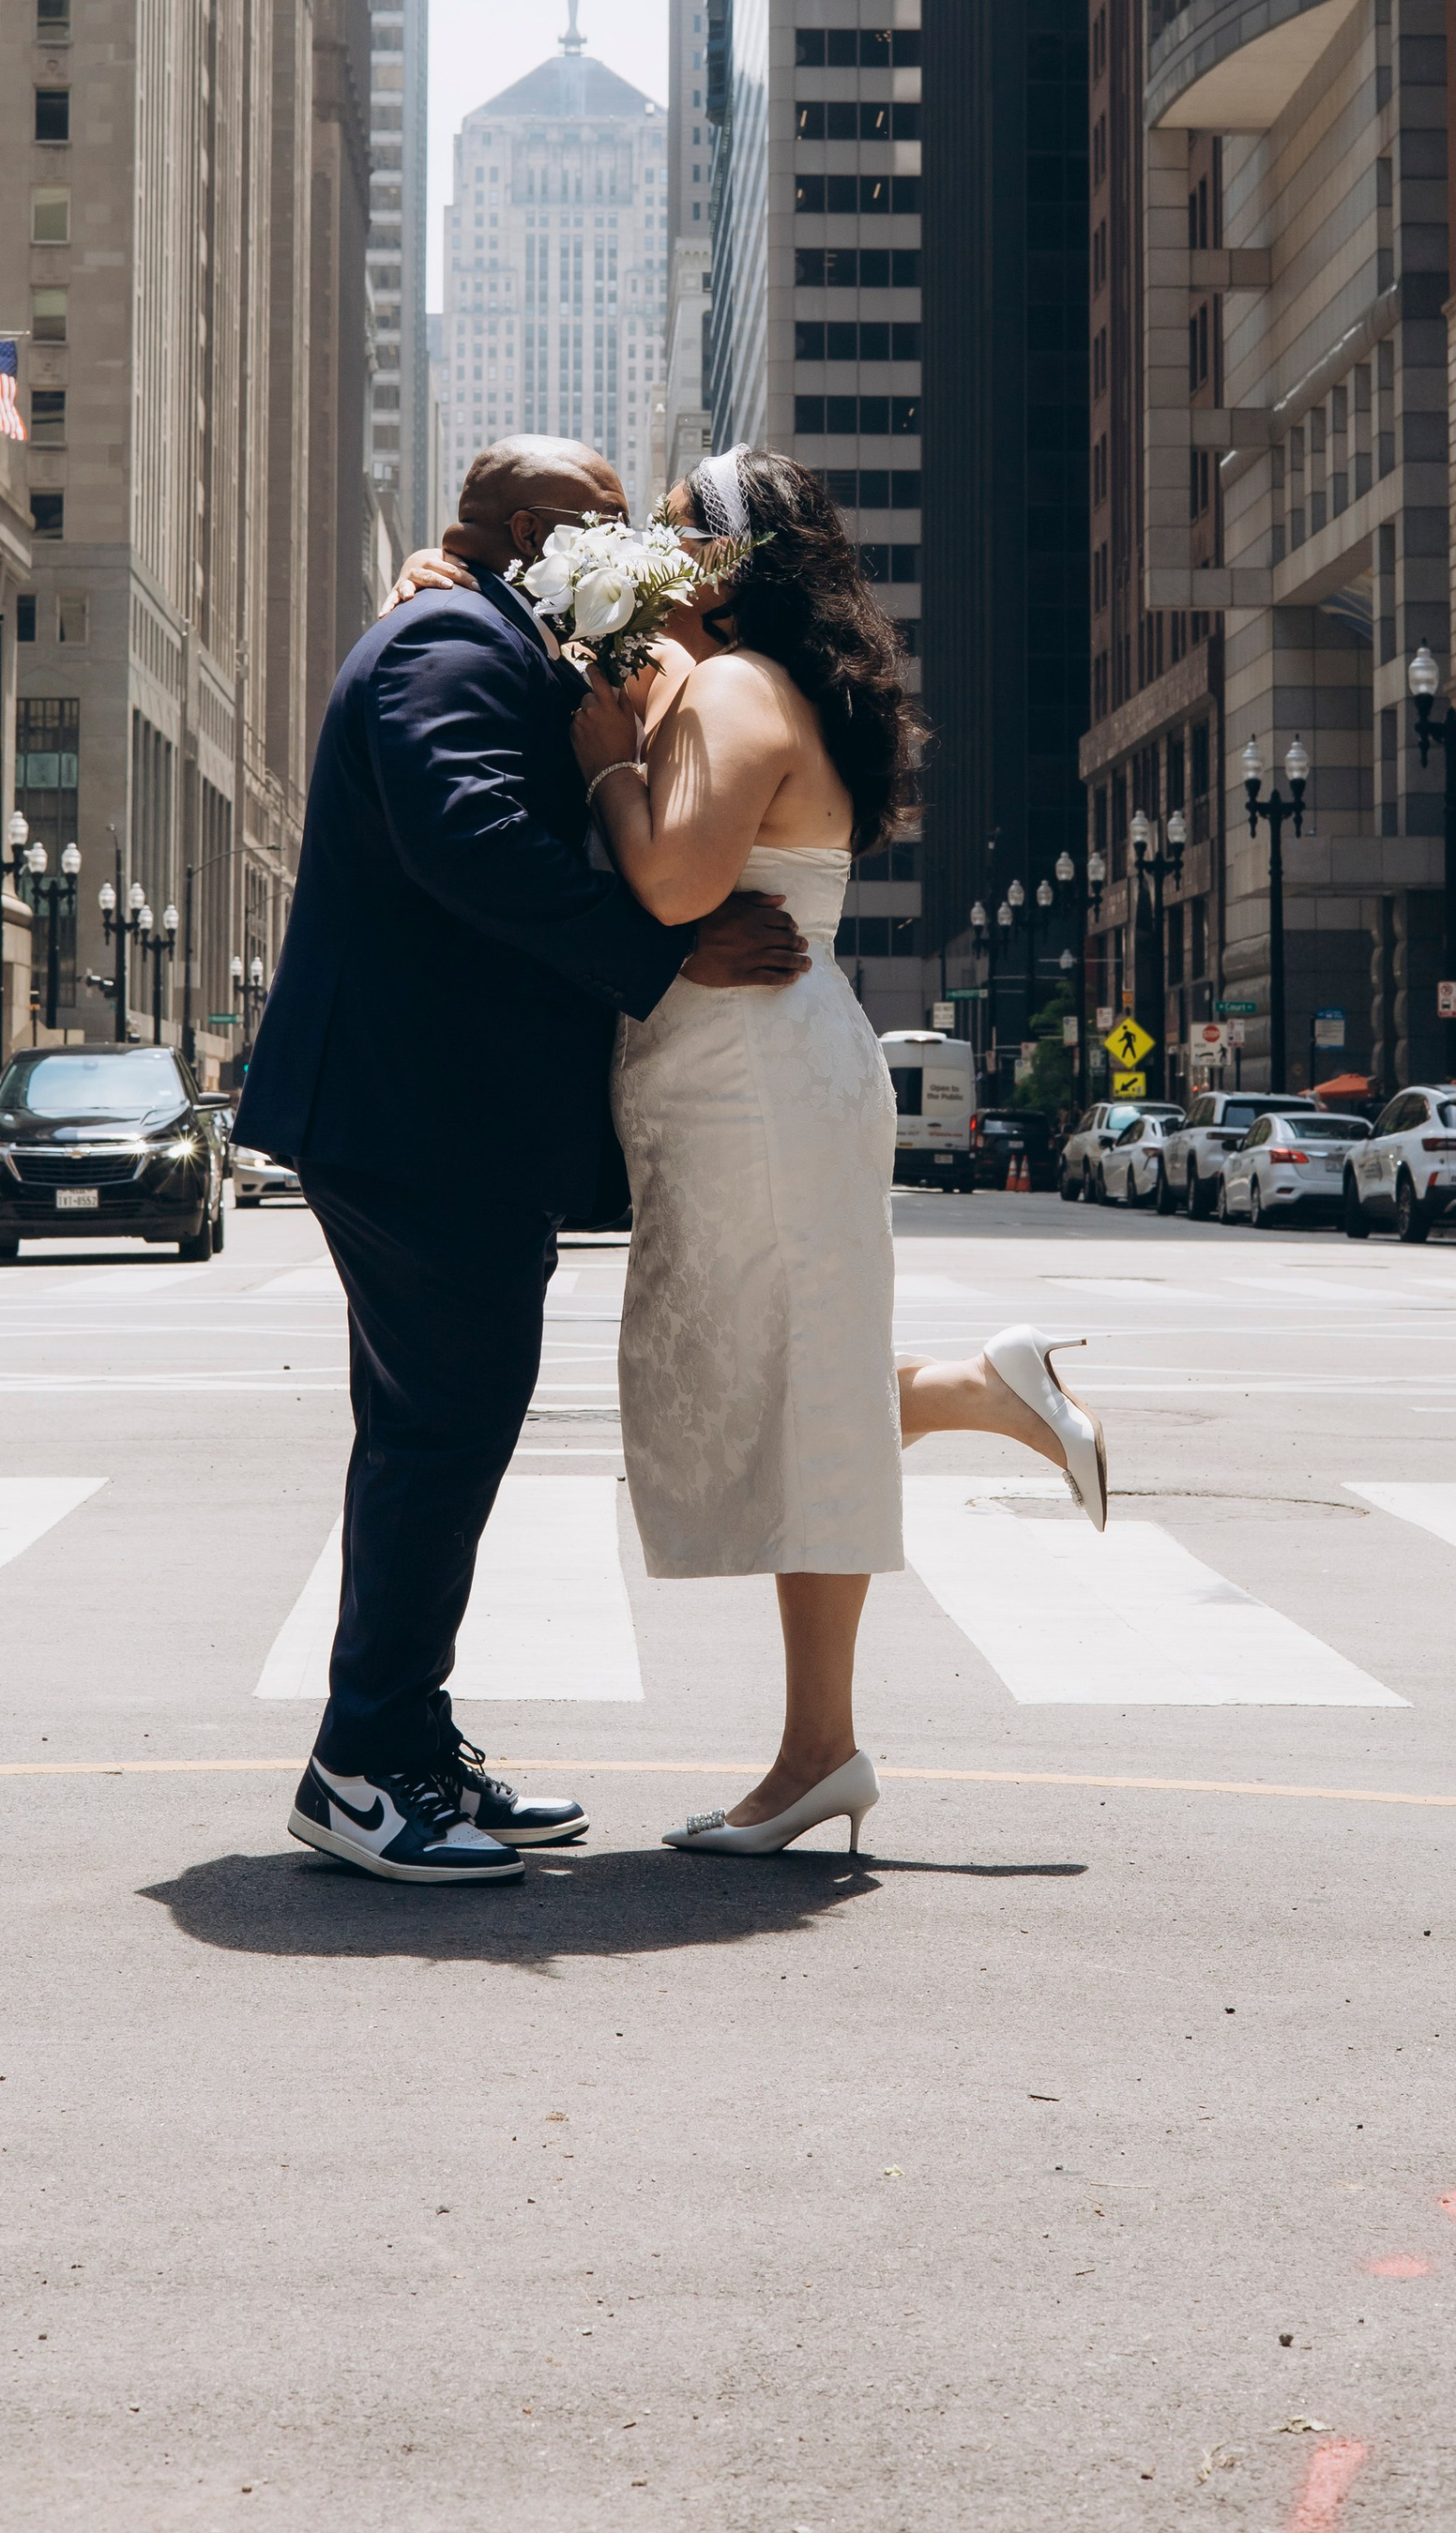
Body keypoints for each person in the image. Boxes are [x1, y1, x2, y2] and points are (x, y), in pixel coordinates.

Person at [393, 447, 1111, 1857]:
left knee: (782, 1399)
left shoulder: (733, 689)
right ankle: (975, 1399)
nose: (649, 563)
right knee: (771, 1390)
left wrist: (608, 774)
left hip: (761, 1084)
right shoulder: (739, 684)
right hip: (747, 1073)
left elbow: (668, 879)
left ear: (730, 566)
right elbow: (591, 686)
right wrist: (454, 585)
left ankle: (819, 1752)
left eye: (670, 541)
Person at [234, 437, 811, 1888]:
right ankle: (366, 1765)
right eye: (613, 527)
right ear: (539, 532)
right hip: (412, 1114)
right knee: (444, 1426)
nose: (636, 554)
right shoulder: (446, 634)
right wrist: (664, 949)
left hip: (437, 1114)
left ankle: (401, 1743)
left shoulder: (490, 635)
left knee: (440, 1425)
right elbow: (471, 835)